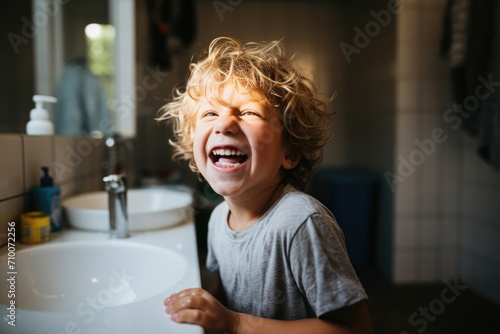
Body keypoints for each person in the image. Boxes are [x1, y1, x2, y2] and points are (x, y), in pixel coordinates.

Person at [158, 36, 372, 334]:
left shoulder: (300, 223)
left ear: (290, 152)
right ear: (192, 145)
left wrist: (235, 323)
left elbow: (358, 331)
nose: (224, 124)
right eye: (209, 113)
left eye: (248, 112)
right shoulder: (219, 219)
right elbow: (228, 294)